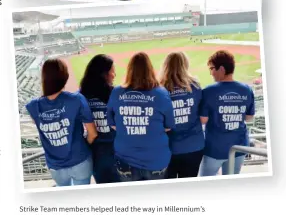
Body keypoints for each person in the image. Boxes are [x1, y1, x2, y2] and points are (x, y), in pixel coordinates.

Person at [26, 59, 98, 187]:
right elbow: (92, 134)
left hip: (55, 167)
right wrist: (82, 146)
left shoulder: (32, 106)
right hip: (80, 160)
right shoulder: (76, 99)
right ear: (64, 76)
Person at [106, 52, 175, 182]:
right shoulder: (161, 93)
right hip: (156, 159)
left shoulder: (117, 92)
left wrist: (129, 127)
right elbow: (169, 126)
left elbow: (112, 122)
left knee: (132, 198)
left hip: (125, 159)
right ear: (150, 69)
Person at [199, 50, 255, 176]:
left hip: (215, 149)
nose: (211, 72)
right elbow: (249, 117)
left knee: (204, 186)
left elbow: (203, 120)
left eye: (212, 68)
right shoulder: (247, 89)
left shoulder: (208, 91)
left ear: (222, 69)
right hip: (239, 148)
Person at [159, 52, 204, 178]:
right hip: (194, 146)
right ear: (185, 65)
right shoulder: (195, 86)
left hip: (167, 148)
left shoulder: (159, 89)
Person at [80, 54, 119, 183]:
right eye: (112, 71)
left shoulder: (80, 96)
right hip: (116, 151)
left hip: (95, 152)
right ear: (104, 74)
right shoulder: (116, 94)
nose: (114, 75)